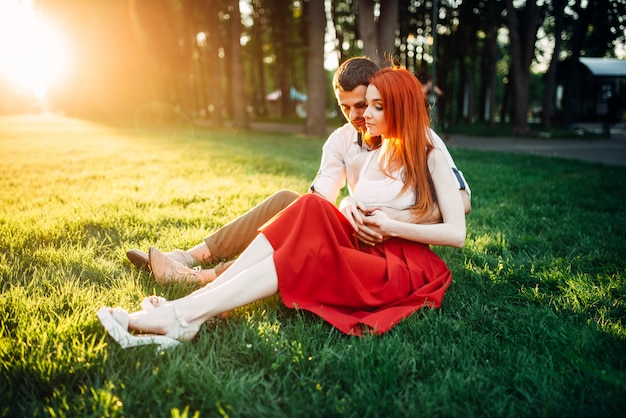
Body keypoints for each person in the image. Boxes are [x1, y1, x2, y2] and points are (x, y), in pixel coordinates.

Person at [97, 66, 466, 349]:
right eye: (358, 105)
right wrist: (351, 204)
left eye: (374, 106)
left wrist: (392, 225)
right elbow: (351, 197)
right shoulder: (373, 148)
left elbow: (456, 230)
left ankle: (184, 313)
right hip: (365, 243)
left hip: (400, 264)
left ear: (399, 107)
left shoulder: (428, 150)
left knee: (303, 249)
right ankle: (198, 302)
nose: (362, 116)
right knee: (306, 205)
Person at [127, 57, 471, 285]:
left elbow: (462, 201)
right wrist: (346, 211)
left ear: (382, 99)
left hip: (390, 242)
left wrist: (396, 221)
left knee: (301, 224)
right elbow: (319, 199)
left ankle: (204, 277)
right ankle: (192, 256)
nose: (356, 116)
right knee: (288, 203)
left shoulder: (418, 140)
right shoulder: (341, 141)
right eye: (345, 106)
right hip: (353, 226)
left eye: (364, 105)